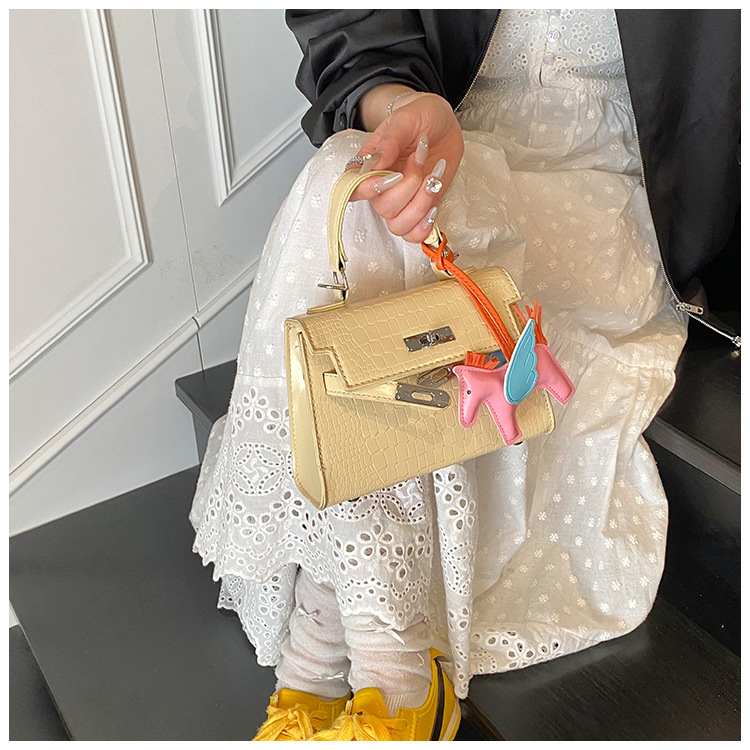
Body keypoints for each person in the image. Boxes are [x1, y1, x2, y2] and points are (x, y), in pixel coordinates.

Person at [188, 10, 739, 742]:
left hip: (612, 189)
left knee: (379, 258)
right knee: (354, 177)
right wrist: (398, 105)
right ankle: (387, 675)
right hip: (461, 147)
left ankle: (329, 666)